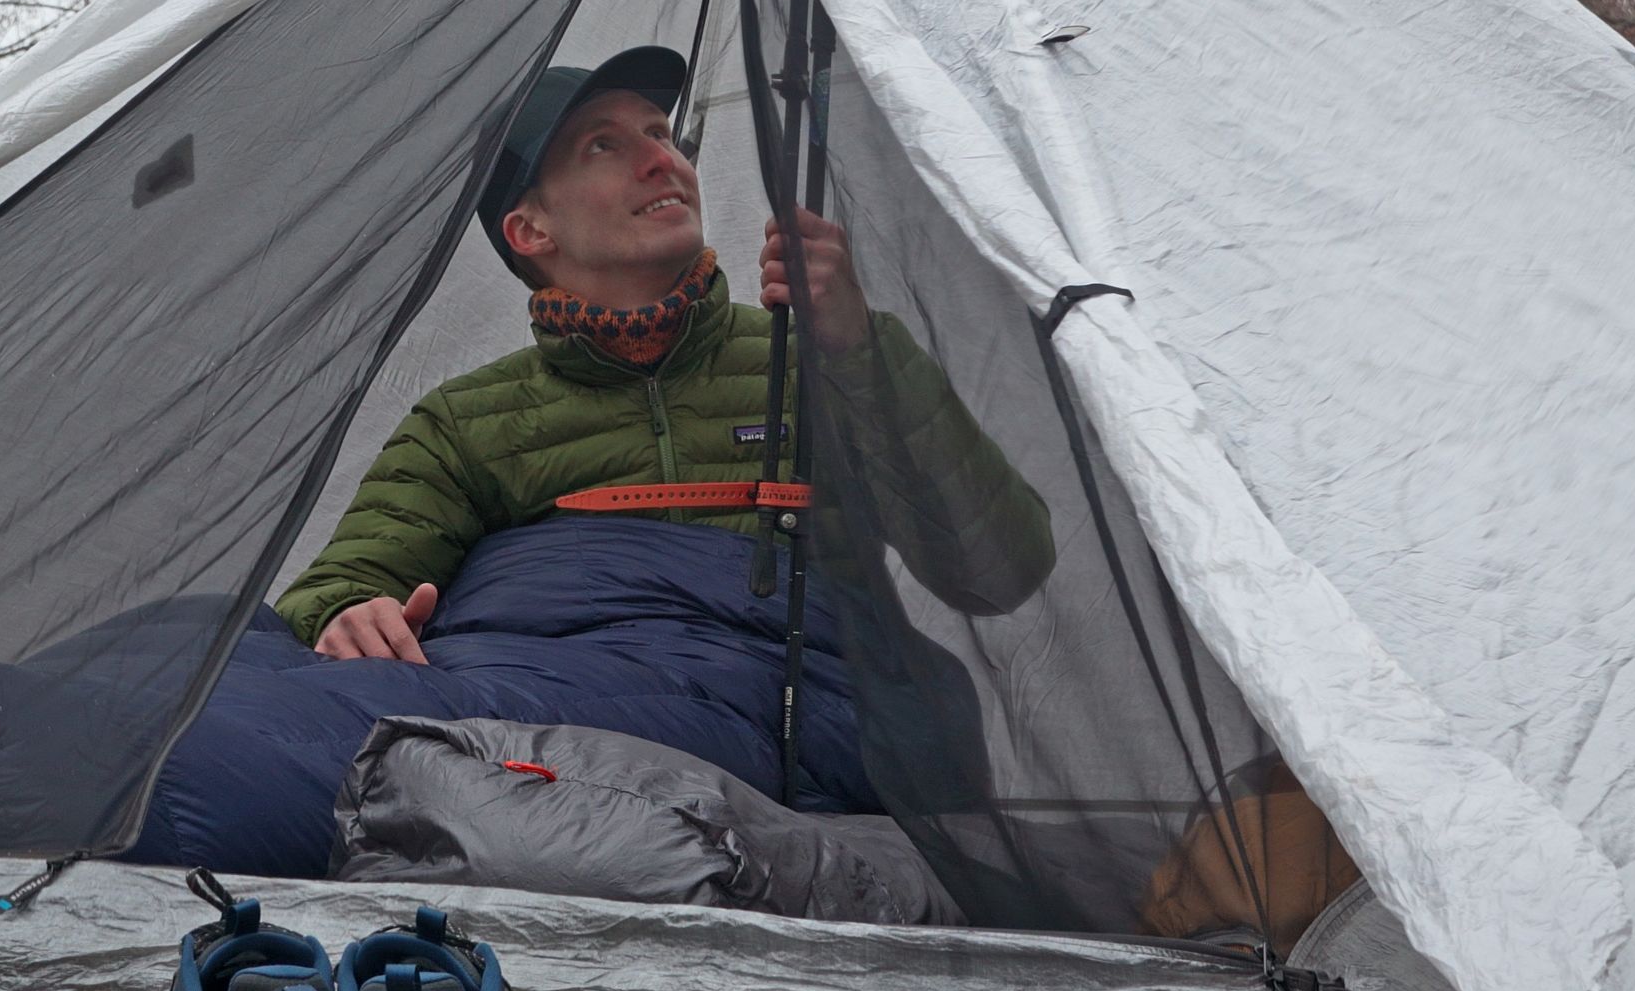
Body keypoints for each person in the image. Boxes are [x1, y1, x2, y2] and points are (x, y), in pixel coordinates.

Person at [274, 44, 1056, 662]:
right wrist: (350, 616)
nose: (661, 159)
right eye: (603, 146)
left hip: (825, 764)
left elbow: (999, 571)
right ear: (531, 231)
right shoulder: (463, 425)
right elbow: (338, 588)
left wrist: (857, 348)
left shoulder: (820, 360)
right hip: (583, 769)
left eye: (660, 133)